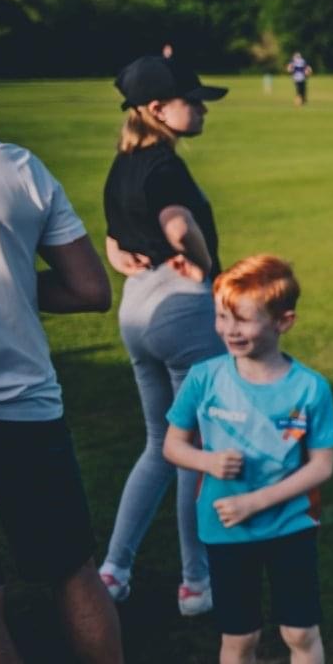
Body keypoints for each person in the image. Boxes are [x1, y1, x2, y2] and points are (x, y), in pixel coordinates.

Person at [0, 125, 165, 664]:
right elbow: (86, 289)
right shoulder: (13, 165)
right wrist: (9, 286)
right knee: (73, 572)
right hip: (23, 409)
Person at [162, 255, 333, 664]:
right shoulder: (204, 379)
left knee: (299, 632)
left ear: (283, 321)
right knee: (238, 637)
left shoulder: (310, 388)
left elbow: (322, 466)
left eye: (242, 318)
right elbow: (172, 444)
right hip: (225, 533)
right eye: (223, 317)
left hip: (289, 529)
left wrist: (256, 503)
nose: (229, 330)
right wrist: (206, 461)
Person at [99, 54, 230, 615]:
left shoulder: (121, 165)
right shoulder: (164, 165)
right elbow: (179, 225)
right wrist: (207, 270)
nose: (200, 107)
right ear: (157, 109)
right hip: (181, 311)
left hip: (136, 311)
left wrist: (130, 258)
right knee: (193, 445)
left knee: (160, 442)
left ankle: (113, 569)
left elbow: (111, 242)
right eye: (191, 99)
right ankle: (196, 582)